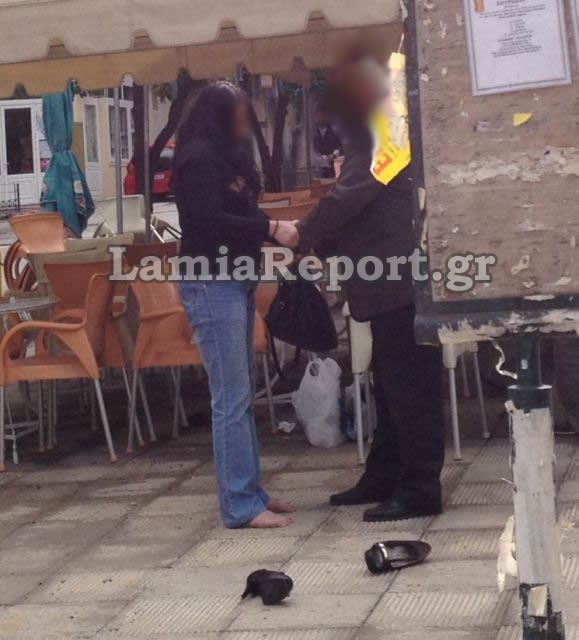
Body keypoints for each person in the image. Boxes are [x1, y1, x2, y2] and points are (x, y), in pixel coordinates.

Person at [296, 57, 445, 522]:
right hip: (387, 286)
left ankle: (420, 488)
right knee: (390, 388)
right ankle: (385, 474)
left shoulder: (384, 136)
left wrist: (301, 233)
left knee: (411, 390)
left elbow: (350, 197)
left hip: (400, 283)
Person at [174, 82, 298, 529]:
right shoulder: (198, 159)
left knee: (241, 393)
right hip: (212, 282)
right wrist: (270, 228)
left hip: (236, 278)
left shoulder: (227, 156)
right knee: (231, 397)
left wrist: (267, 227)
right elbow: (207, 220)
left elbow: (239, 213)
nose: (247, 121)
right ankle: (239, 505)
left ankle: (251, 491)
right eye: (241, 113)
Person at [313, 109, 342, 179]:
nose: (319, 118)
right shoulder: (314, 132)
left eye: (321, 116)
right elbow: (314, 147)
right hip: (318, 168)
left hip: (332, 165)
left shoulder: (334, 130)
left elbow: (340, 147)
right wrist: (316, 153)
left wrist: (333, 155)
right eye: (317, 116)